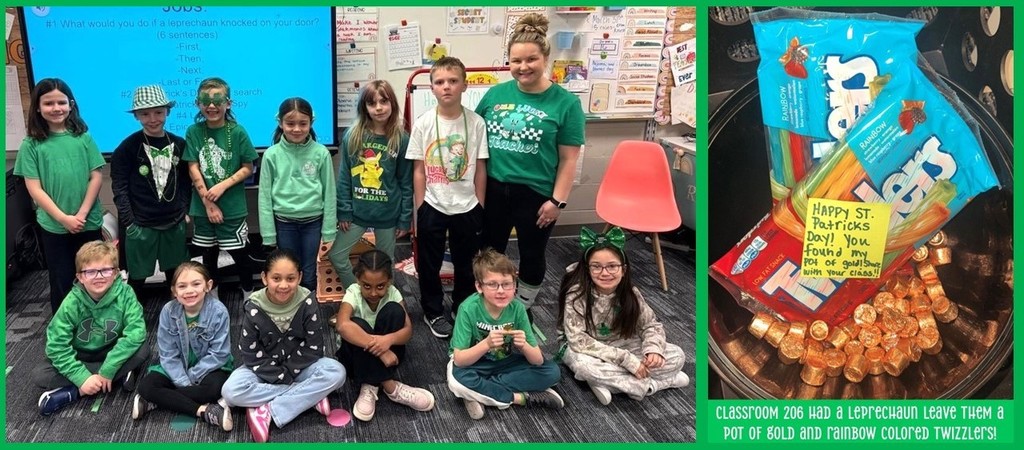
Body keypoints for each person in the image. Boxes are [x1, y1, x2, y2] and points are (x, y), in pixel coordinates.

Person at [475, 13, 586, 317]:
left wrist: (557, 202)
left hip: (537, 194)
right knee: (490, 250)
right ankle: (491, 296)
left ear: (545, 58)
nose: (523, 67)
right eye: (515, 61)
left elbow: (568, 159)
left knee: (531, 252)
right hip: (495, 188)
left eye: (531, 60)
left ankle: (522, 304)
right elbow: (474, 137)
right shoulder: (496, 94)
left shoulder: (565, 104)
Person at [221, 249, 346, 443]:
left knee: (337, 372)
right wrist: (280, 376)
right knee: (230, 391)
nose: (283, 285)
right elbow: (249, 353)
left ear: (300, 277)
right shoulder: (254, 307)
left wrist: (288, 371)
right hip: (262, 370)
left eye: (290, 278)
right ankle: (308, 396)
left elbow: (314, 347)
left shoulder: (307, 301)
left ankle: (267, 410)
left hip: (299, 367)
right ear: (264, 278)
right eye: (276, 278)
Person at [556, 227, 690, 405]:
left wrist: (653, 350)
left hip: (622, 342)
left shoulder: (631, 293)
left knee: (677, 355)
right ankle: (654, 385)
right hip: (585, 348)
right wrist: (627, 361)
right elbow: (578, 340)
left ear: (623, 269)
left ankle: (612, 384)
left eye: (612, 266)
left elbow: (650, 325)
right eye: (596, 267)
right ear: (587, 269)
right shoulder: (576, 295)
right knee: (585, 367)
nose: (604, 273)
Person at [407, 56, 489, 338]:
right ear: (431, 88)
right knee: (428, 264)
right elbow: (418, 170)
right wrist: (419, 210)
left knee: (467, 263)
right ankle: (433, 311)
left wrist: (480, 205)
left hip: (467, 205)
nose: (447, 87)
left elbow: (480, 166)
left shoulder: (476, 123)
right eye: (440, 82)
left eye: (453, 81)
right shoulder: (423, 123)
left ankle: (461, 306)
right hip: (432, 203)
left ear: (464, 85)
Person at [13, 78, 105, 315]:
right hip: (54, 227)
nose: (56, 108)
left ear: (71, 104)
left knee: (95, 276)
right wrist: (64, 219)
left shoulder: (83, 137)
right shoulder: (31, 145)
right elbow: (34, 189)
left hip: (88, 222)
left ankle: (97, 324)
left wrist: (82, 214)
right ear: (37, 108)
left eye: (61, 102)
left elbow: (95, 177)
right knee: (62, 279)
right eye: (49, 103)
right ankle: (64, 330)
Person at [33, 241, 149, 416]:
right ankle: (103, 381)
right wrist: (82, 378)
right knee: (40, 374)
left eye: (106, 270)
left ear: (116, 273)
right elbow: (56, 346)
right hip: (81, 355)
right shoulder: (71, 303)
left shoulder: (126, 293)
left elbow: (136, 331)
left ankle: (76, 391)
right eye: (90, 272)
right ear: (80, 277)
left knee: (143, 349)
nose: (99, 276)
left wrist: (109, 367)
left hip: (112, 350)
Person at [446, 248, 564, 420]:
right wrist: (485, 344)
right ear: (479, 287)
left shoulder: (517, 309)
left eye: (507, 284)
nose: (501, 290)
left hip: (505, 361)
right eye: (492, 284)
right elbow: (460, 360)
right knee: (458, 379)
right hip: (473, 363)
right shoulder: (468, 308)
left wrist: (523, 346)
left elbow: (537, 360)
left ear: (515, 285)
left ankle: (479, 392)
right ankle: (521, 398)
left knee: (552, 372)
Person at [328, 80, 413, 288]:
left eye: (384, 101)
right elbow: (345, 177)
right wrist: (344, 211)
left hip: (388, 215)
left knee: (385, 264)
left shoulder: (400, 138)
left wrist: (405, 219)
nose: (378, 108)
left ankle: (382, 302)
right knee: (337, 256)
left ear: (392, 103)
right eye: (372, 103)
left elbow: (406, 182)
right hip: (357, 213)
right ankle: (358, 295)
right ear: (364, 107)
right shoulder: (353, 135)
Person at [132, 261, 234, 430]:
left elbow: (219, 354)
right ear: (174, 291)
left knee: (214, 389)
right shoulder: (168, 311)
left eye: (196, 284)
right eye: (182, 286)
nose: (189, 291)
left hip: (210, 367)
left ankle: (156, 400)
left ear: (208, 286)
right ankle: (203, 411)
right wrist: (183, 380)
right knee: (146, 386)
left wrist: (191, 376)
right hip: (176, 365)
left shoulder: (218, 311)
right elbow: (168, 354)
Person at [334, 250, 435, 422]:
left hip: (392, 355)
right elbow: (342, 325)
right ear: (358, 280)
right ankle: (390, 386)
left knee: (395, 311)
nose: (373, 293)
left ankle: (370, 383)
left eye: (380, 286)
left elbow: (408, 331)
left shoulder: (394, 293)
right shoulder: (353, 292)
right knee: (357, 324)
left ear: (389, 281)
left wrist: (388, 340)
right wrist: (381, 351)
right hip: (355, 359)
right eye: (367, 286)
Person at [110, 84, 191, 294]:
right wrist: (129, 221)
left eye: (158, 112)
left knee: (177, 276)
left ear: (168, 112)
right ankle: (133, 319)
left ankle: (179, 315)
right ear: (136, 116)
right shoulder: (127, 148)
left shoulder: (180, 144)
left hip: (173, 222)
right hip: (141, 224)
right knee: (137, 278)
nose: (153, 119)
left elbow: (185, 182)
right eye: (145, 114)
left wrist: (184, 211)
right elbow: (120, 187)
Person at [183, 77, 259, 298]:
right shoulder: (193, 131)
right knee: (208, 255)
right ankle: (213, 297)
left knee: (239, 253)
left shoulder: (237, 132)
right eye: (206, 101)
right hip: (202, 208)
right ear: (198, 103)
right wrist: (207, 202)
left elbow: (248, 167)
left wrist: (222, 187)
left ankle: (248, 294)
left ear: (229, 103)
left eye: (218, 101)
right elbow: (192, 166)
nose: (212, 106)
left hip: (232, 208)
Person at [258, 97, 337, 292]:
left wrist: (329, 232)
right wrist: (268, 234)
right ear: (280, 123)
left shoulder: (321, 153)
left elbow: (330, 193)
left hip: (313, 222)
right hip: (284, 223)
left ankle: (309, 311)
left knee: (309, 271)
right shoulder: (271, 154)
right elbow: (264, 198)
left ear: (311, 123)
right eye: (290, 123)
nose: (296, 129)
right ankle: (292, 310)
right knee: (289, 271)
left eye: (303, 123)